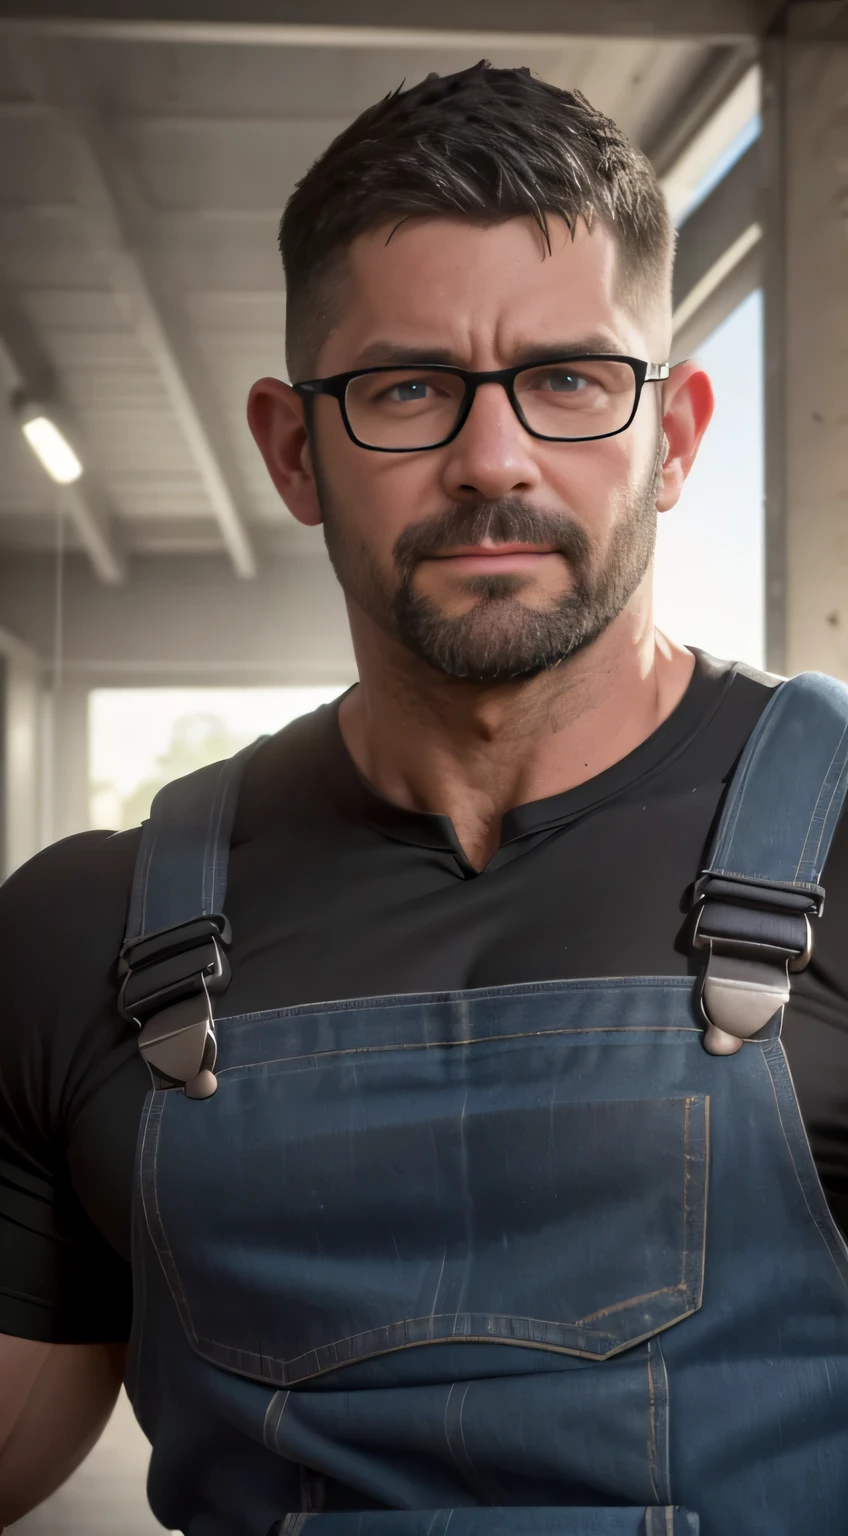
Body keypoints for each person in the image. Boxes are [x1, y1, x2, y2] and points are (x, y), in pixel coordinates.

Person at [1, 60, 847, 1536]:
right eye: (408, 389)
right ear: (292, 449)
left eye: (571, 379)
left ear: (679, 435)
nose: (493, 459)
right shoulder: (80, 934)